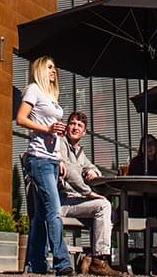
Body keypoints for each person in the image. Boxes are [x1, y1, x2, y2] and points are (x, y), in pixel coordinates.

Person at [17, 56, 74, 276]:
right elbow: (20, 119)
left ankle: (36, 264)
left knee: (41, 215)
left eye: (55, 67)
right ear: (40, 69)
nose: (54, 70)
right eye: (50, 67)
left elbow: (55, 132)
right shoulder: (34, 89)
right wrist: (46, 129)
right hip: (38, 159)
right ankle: (62, 263)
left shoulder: (51, 97)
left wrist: (59, 157)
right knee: (54, 210)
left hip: (50, 161)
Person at [58, 111, 119, 276]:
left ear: (84, 132)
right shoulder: (60, 144)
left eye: (79, 125)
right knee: (104, 205)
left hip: (76, 201)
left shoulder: (79, 152)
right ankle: (99, 260)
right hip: (63, 201)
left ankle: (90, 257)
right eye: (72, 123)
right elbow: (69, 172)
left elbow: (91, 166)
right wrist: (89, 193)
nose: (75, 127)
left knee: (112, 214)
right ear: (67, 126)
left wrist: (92, 171)